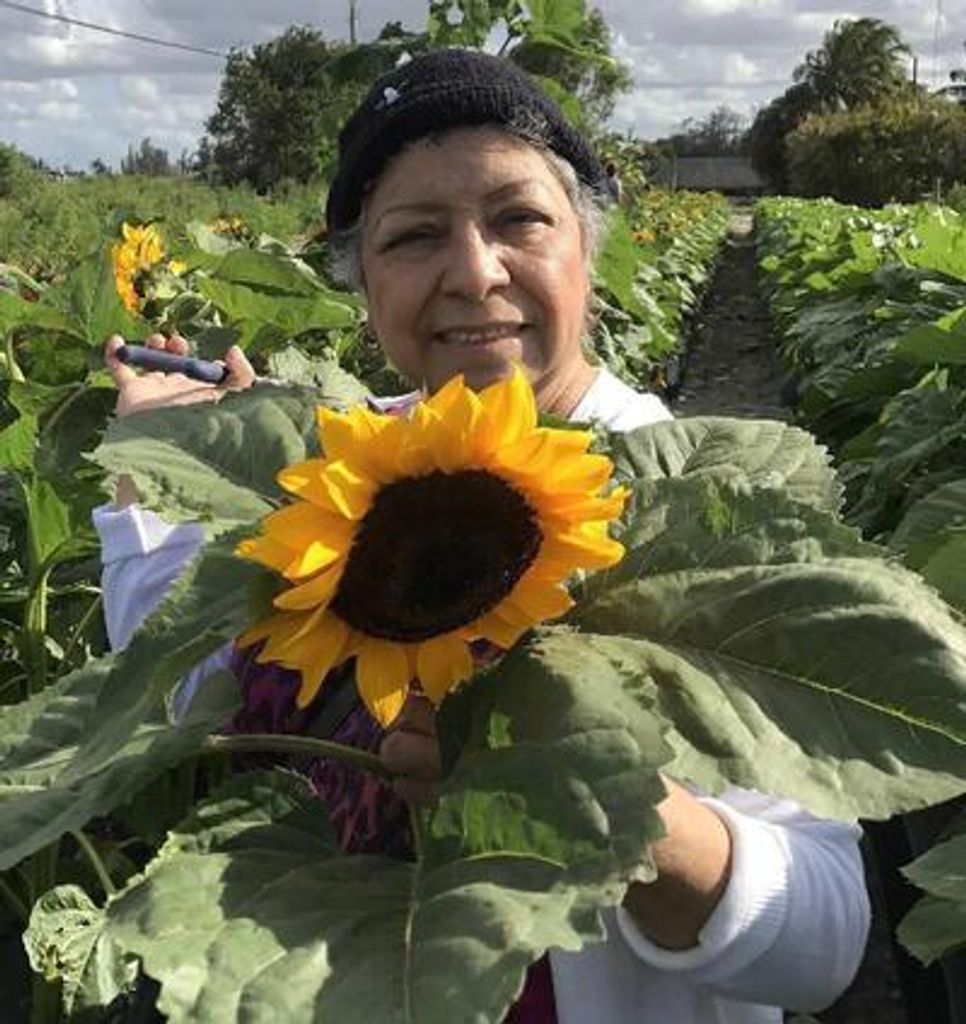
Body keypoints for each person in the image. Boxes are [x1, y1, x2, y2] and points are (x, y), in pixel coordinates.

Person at [96, 48, 869, 1024]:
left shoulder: (718, 502)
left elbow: (824, 945)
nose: (473, 270)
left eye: (520, 219)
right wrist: (167, 470)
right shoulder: (344, 466)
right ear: (365, 284)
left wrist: (617, 814)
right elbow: (177, 682)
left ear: (587, 247)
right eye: (414, 236)